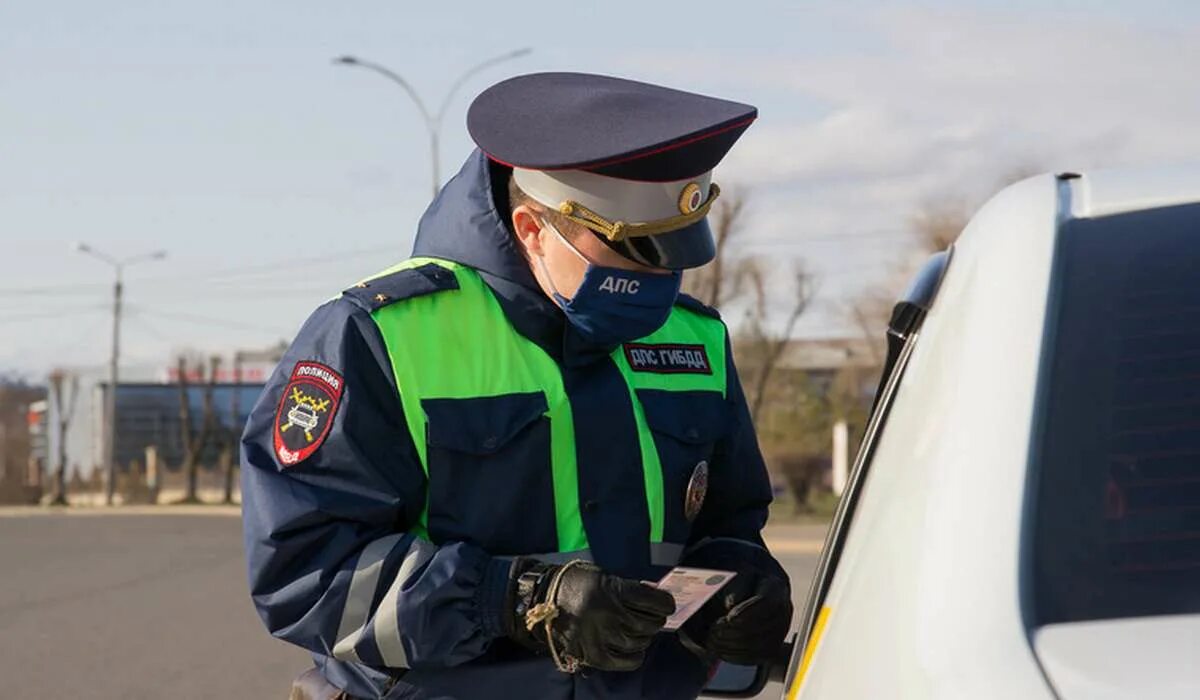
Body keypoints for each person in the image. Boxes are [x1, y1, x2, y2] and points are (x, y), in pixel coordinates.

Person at [241, 72, 793, 700]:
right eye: (634, 252)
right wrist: (513, 598)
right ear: (534, 229)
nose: (662, 278)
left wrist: (740, 579)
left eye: (674, 252)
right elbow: (302, 574)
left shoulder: (696, 339)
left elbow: (726, 520)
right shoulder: (374, 335)